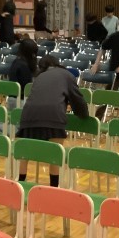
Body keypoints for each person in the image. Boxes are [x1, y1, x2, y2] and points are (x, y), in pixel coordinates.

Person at [17, 55, 88, 187]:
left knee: (24, 155)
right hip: (54, 116)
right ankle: (53, 188)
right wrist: (84, 115)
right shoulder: (67, 75)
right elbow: (77, 99)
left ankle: (20, 185)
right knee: (55, 157)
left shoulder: (39, 77)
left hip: (28, 116)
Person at [8, 38, 38, 104]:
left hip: (12, 98)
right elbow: (27, 87)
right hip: (20, 100)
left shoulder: (16, 61)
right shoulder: (23, 66)